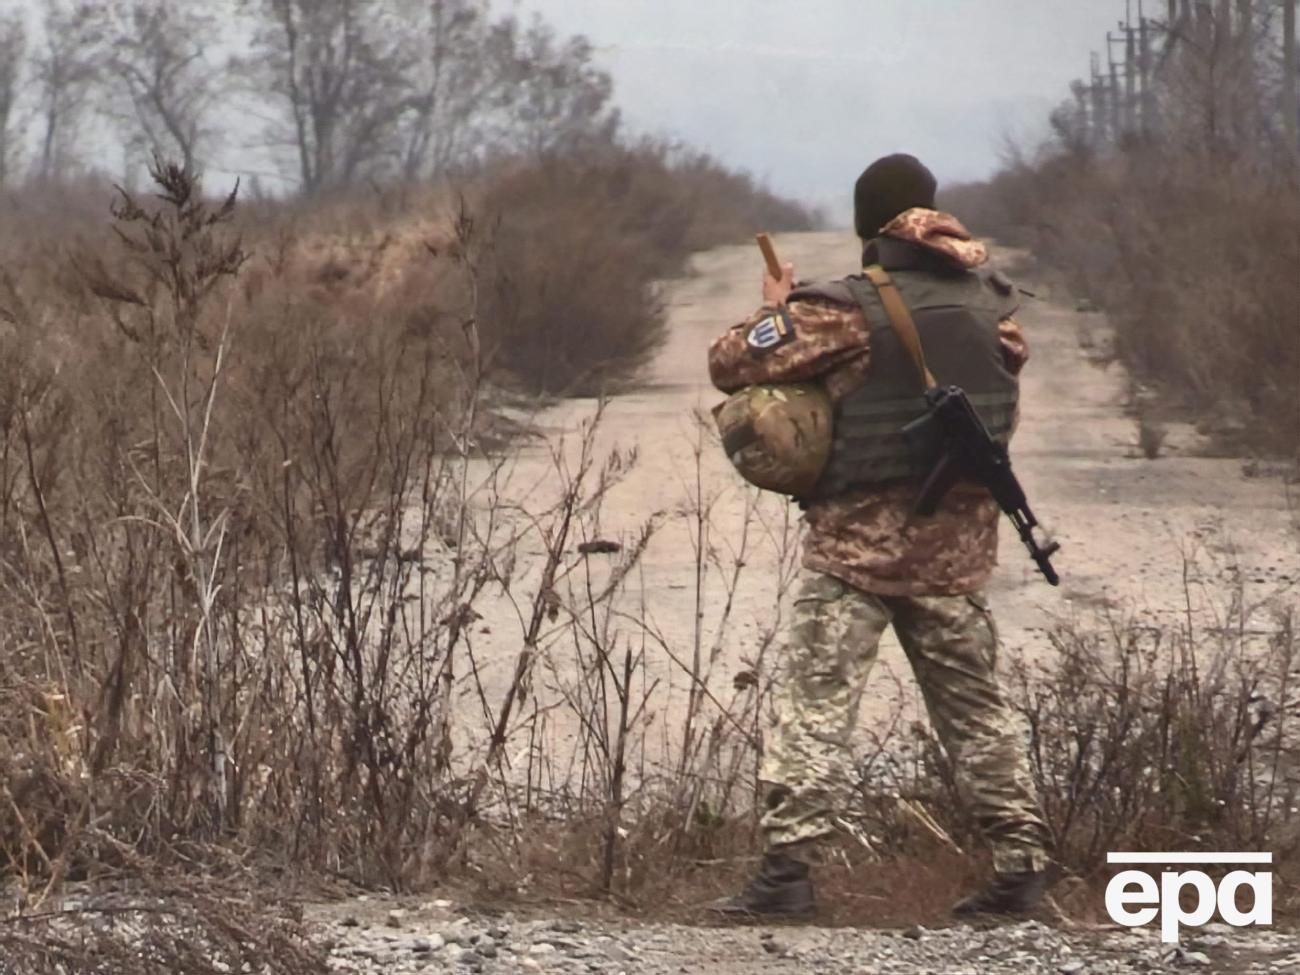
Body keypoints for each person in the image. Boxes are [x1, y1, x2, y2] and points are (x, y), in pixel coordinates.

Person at [706, 153, 1053, 919]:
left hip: (856, 544)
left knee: (816, 704)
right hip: (956, 544)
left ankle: (786, 877)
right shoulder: (993, 304)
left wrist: (775, 305)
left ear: (868, 224)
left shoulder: (845, 308)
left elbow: (731, 360)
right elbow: (1006, 376)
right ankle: (1021, 864)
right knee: (977, 708)